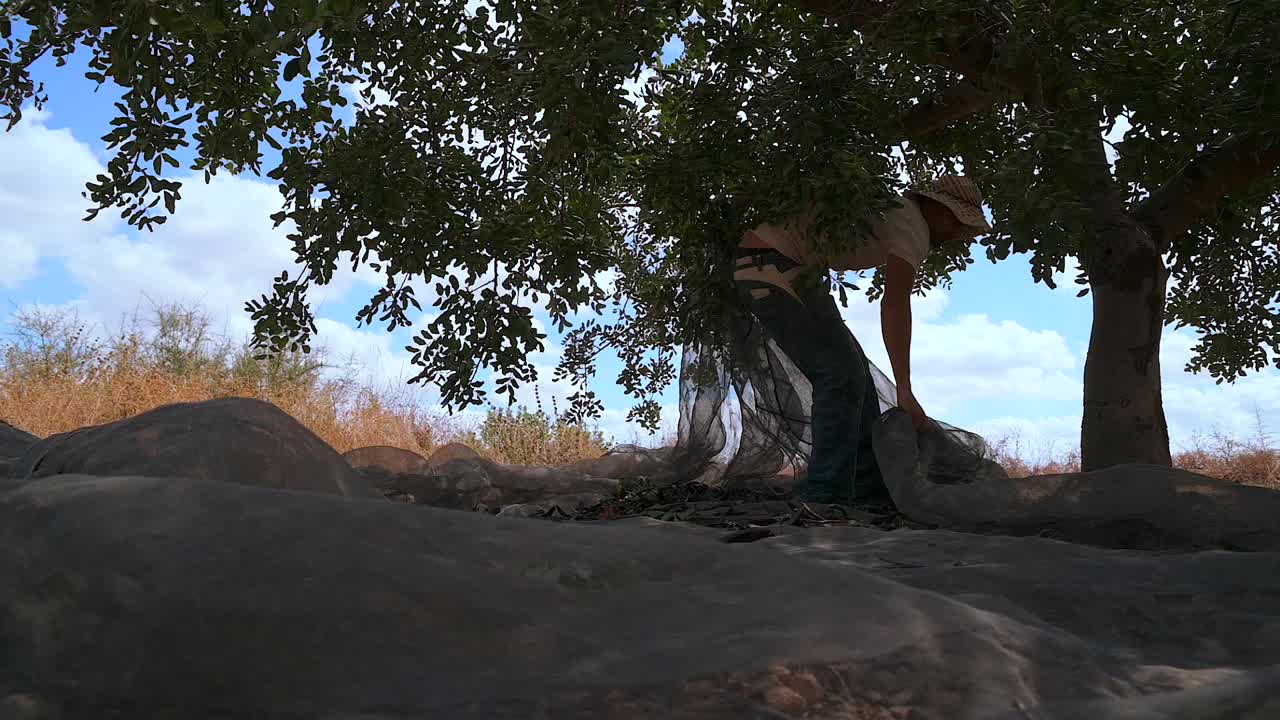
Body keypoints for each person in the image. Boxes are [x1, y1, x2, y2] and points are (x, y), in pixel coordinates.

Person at [732, 175, 992, 505]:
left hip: (791, 268)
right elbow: (895, 303)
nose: (957, 234)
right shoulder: (913, 222)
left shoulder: (897, 213)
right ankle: (825, 496)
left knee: (856, 377)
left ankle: (864, 487)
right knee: (839, 375)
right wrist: (904, 388)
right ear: (937, 207)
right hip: (768, 264)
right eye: (957, 223)